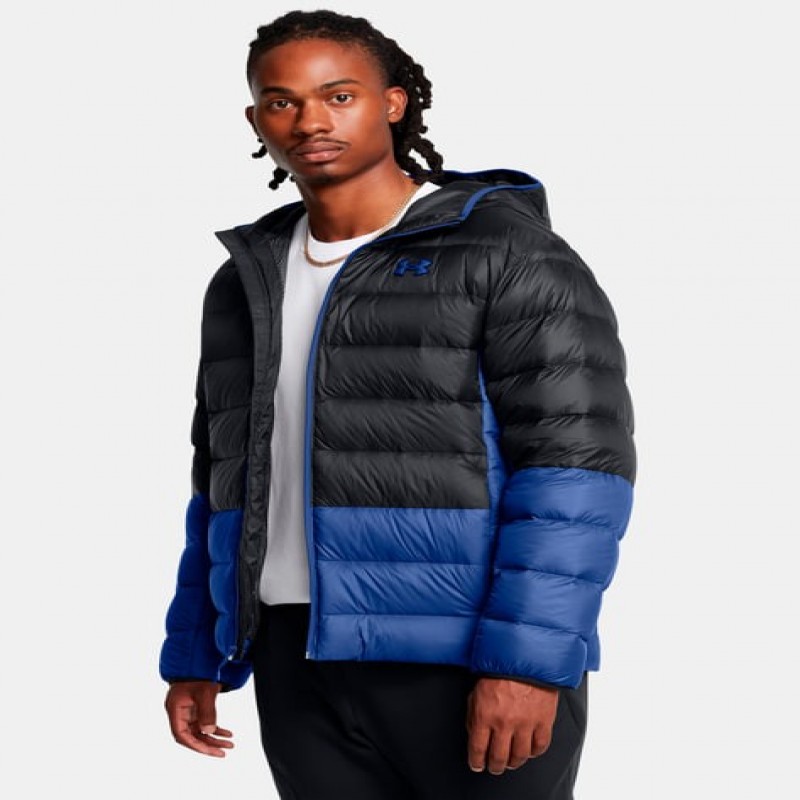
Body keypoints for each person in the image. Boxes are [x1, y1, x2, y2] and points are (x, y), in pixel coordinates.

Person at [160, 9, 636, 799]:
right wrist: (196, 651)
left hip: (463, 655)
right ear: (256, 120)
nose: (310, 120)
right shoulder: (245, 281)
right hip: (293, 653)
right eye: (281, 101)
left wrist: (525, 666)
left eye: (338, 95)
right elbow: (221, 483)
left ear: (393, 102)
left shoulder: (506, 253)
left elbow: (574, 472)